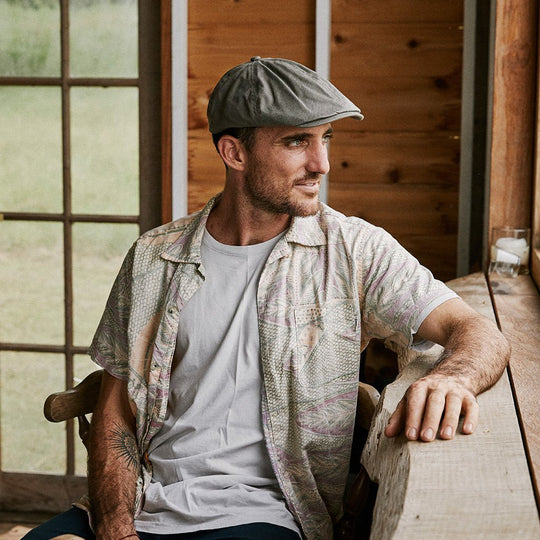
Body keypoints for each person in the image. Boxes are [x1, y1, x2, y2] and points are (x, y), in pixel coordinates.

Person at [25, 57, 510, 540]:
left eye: (326, 139)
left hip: (262, 516)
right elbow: (115, 413)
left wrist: (453, 378)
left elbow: (477, 331)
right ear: (234, 153)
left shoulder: (352, 250)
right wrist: (114, 530)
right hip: (143, 501)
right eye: (297, 141)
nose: (320, 163)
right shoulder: (154, 258)